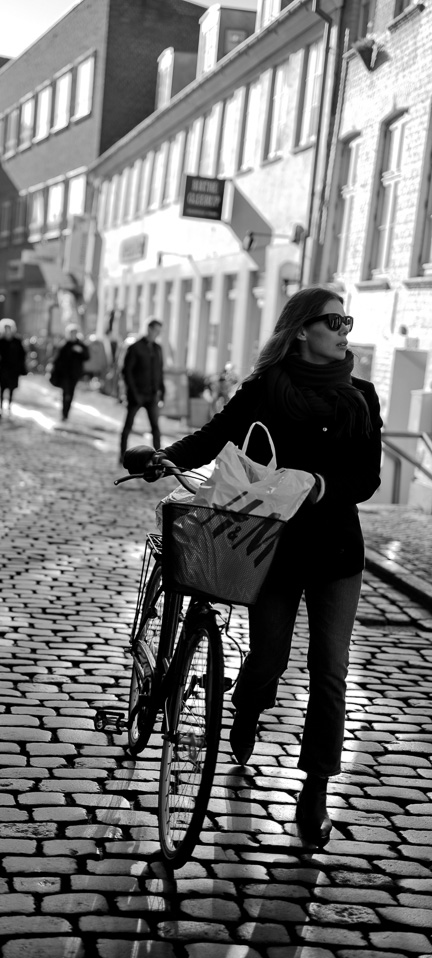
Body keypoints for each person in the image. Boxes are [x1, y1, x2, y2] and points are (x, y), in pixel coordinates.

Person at [130, 286, 383, 846]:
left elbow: (366, 479)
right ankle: (247, 707)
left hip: (338, 550)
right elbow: (214, 437)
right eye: (333, 320)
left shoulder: (362, 395)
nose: (344, 329)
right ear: (301, 331)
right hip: (271, 549)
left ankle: (314, 787)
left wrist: (318, 485)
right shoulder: (265, 389)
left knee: (330, 670)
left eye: (346, 319)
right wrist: (163, 456)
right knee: (268, 659)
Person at [120, 317, 165, 465]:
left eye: (159, 331)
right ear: (149, 329)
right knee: (128, 426)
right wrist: (133, 392)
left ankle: (159, 459)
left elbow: (159, 371)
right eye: (155, 330)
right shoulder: (135, 347)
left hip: (152, 395)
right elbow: (127, 371)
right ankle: (122, 456)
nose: (157, 334)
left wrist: (161, 391)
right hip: (137, 395)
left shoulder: (158, 348)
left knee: (155, 428)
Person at [51, 324, 90, 421]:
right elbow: (58, 359)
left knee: (71, 393)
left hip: (75, 374)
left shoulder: (81, 345)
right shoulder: (64, 345)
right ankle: (64, 413)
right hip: (65, 373)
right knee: (65, 392)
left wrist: (80, 351)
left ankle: (67, 412)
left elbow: (87, 357)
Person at [0, 318, 27, 418]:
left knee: (11, 388)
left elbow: (22, 354)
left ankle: (9, 406)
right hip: (3, 367)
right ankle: (1, 407)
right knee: (2, 387)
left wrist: (20, 365)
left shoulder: (17, 340)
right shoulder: (0, 340)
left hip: (14, 368)